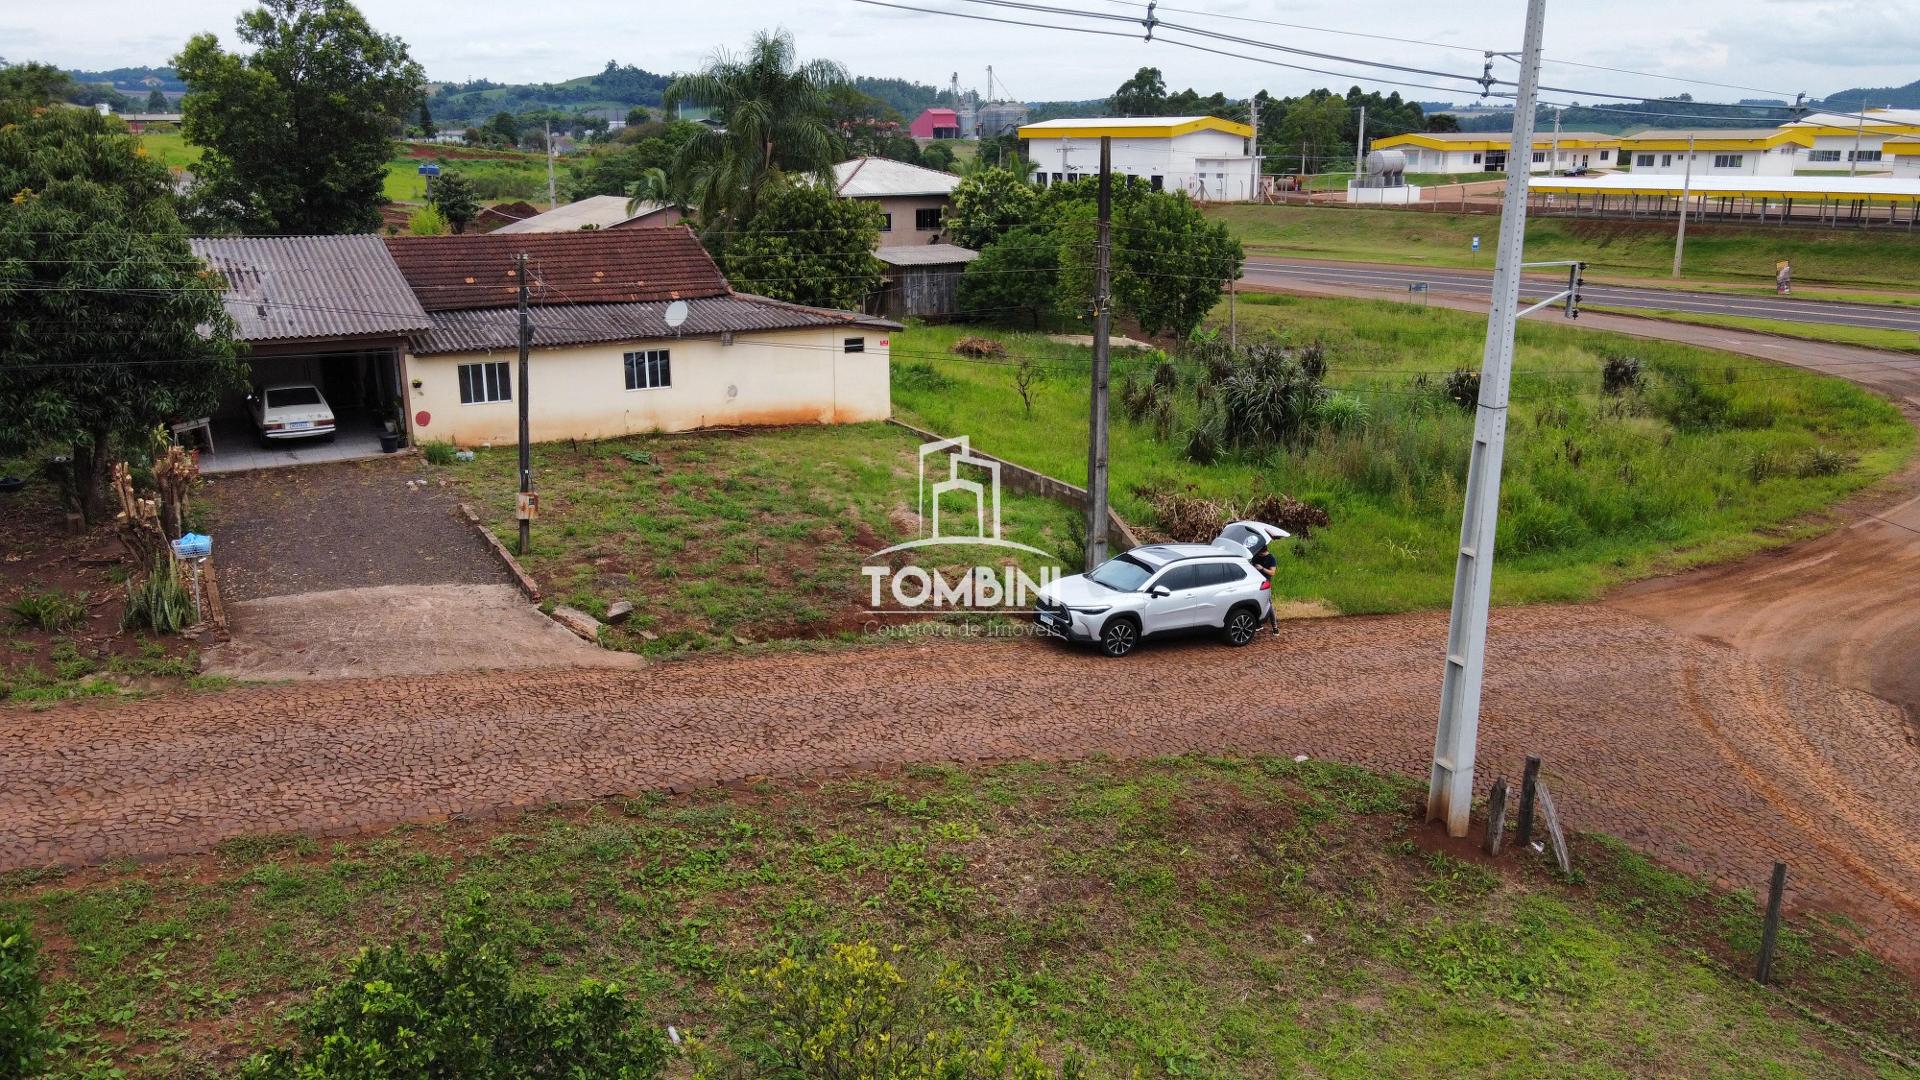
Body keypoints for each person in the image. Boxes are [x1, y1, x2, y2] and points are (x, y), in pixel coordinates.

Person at [1249, 538, 1280, 637]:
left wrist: (1262, 568)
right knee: (1255, 603)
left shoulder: (1271, 558)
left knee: (1268, 604)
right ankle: (1259, 624)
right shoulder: (1256, 556)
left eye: (1259, 553)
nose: (1258, 554)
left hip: (1265, 584)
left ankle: (1275, 627)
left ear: (1263, 551)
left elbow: (1272, 572)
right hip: (1253, 584)